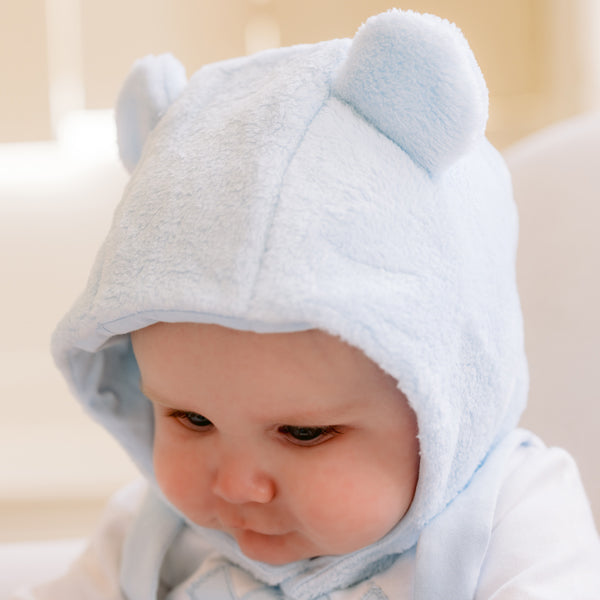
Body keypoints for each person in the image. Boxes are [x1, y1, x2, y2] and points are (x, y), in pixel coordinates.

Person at [13, 9, 600, 600]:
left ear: (444, 405)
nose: (238, 486)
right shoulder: (150, 536)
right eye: (192, 420)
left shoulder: (510, 519)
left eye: (302, 432)